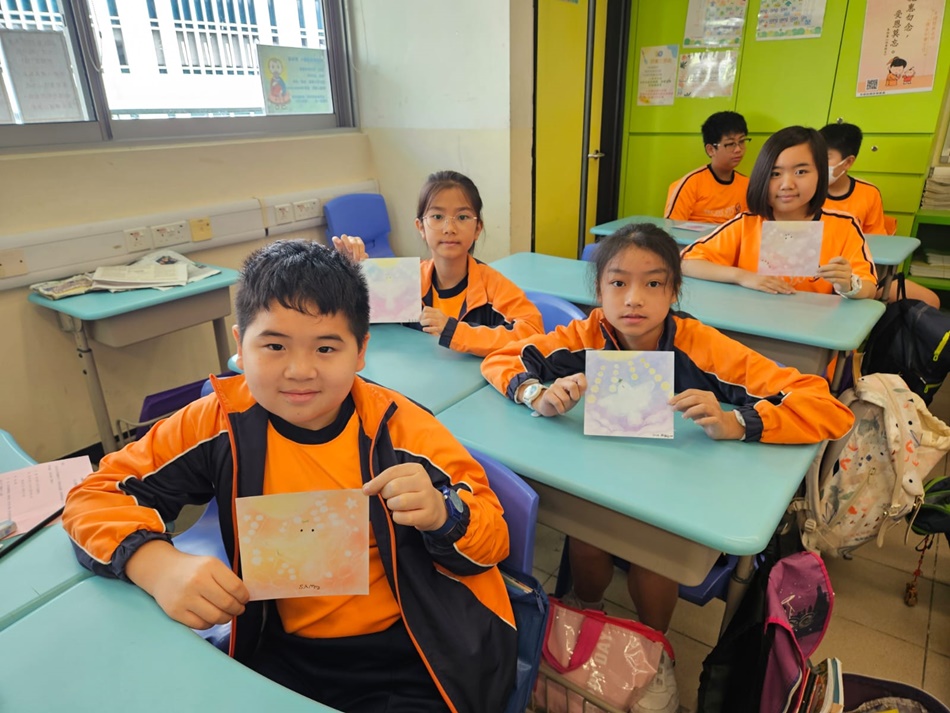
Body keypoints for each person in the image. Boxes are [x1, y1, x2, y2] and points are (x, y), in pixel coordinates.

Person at [62, 240, 517, 713]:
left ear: (360, 351)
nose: (300, 371)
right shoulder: (219, 423)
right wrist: (156, 565)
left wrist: (443, 514)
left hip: (409, 653)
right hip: (276, 648)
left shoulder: (402, 430)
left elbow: (493, 537)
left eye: (326, 347)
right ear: (240, 347)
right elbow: (96, 495)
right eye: (275, 346)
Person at [480, 223, 854, 713]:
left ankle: (652, 646)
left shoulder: (701, 345)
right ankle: (588, 619)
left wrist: (738, 422)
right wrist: (537, 394)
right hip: (597, 480)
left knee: (653, 556)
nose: (633, 298)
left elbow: (824, 406)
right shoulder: (585, 335)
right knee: (585, 535)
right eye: (618, 282)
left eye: (653, 283)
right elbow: (502, 358)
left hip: (673, 493)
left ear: (674, 290)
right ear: (599, 291)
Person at [333, 170, 543, 357]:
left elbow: (534, 333)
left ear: (477, 228)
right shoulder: (408, 280)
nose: (449, 228)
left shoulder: (492, 287)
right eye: (437, 216)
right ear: (421, 227)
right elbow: (353, 321)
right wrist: (351, 274)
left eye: (462, 217)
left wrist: (455, 331)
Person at [681, 125, 879, 299]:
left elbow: (869, 287)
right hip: (752, 321)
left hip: (812, 325)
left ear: (820, 173)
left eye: (801, 172)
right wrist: (743, 277)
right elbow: (686, 262)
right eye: (775, 174)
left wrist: (849, 285)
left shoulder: (844, 226)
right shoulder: (746, 224)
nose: (787, 184)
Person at [820, 122, 940, 307]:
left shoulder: (868, 193)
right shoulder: (803, 193)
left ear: (848, 162)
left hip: (857, 271)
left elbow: (877, 242)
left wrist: (858, 278)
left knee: (930, 300)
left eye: (825, 158)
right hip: (817, 273)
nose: (818, 164)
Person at [664, 111, 750, 224]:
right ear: (711, 150)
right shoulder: (689, 185)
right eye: (730, 144)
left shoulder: (747, 185)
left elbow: (750, 226)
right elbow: (671, 229)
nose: (738, 149)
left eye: (742, 141)